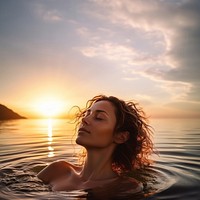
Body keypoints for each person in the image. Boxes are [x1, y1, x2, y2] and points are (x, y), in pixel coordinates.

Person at [37, 95, 154, 196]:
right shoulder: (58, 169)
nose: (84, 119)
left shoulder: (125, 187)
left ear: (120, 136)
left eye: (99, 118)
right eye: (87, 114)